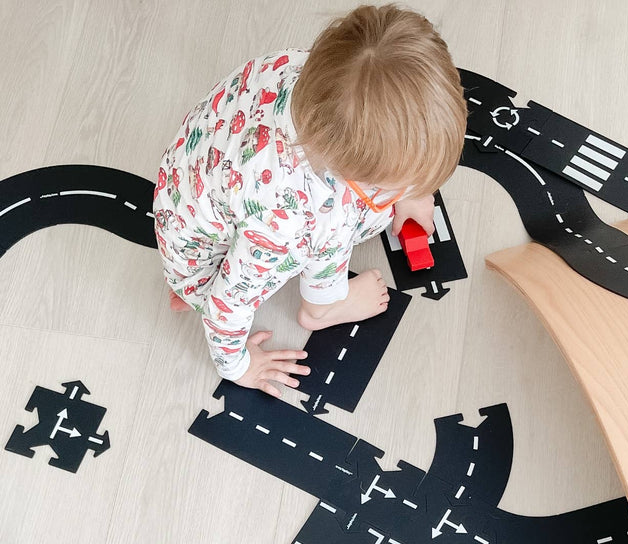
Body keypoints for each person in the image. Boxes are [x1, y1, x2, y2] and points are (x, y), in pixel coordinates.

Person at [153, 4, 467, 396]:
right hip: (203, 255)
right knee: (328, 241)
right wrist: (238, 366)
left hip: (192, 184)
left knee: (346, 213)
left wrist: (410, 186)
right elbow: (226, 306)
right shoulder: (302, 218)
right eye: (399, 182)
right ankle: (324, 309)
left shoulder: (312, 72)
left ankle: (187, 287)